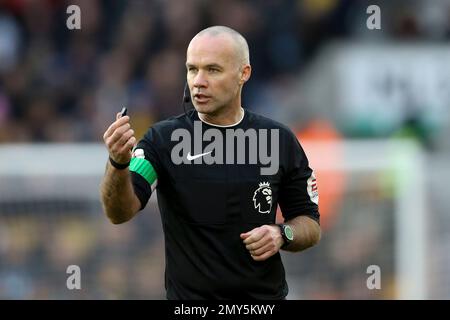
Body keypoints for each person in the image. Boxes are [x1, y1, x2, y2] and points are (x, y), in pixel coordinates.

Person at [100, 26, 321, 300]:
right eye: (192, 69)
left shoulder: (278, 140)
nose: (198, 81)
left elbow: (310, 223)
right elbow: (119, 212)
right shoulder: (162, 142)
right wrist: (118, 163)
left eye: (213, 70)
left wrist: (282, 233)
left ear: (244, 73)